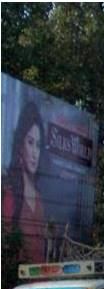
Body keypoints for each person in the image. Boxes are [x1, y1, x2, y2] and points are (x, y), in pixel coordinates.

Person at [2, 102, 46, 263]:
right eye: (30, 142)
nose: (35, 153)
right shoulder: (9, 191)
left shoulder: (39, 200)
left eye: (38, 145)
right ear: (20, 144)